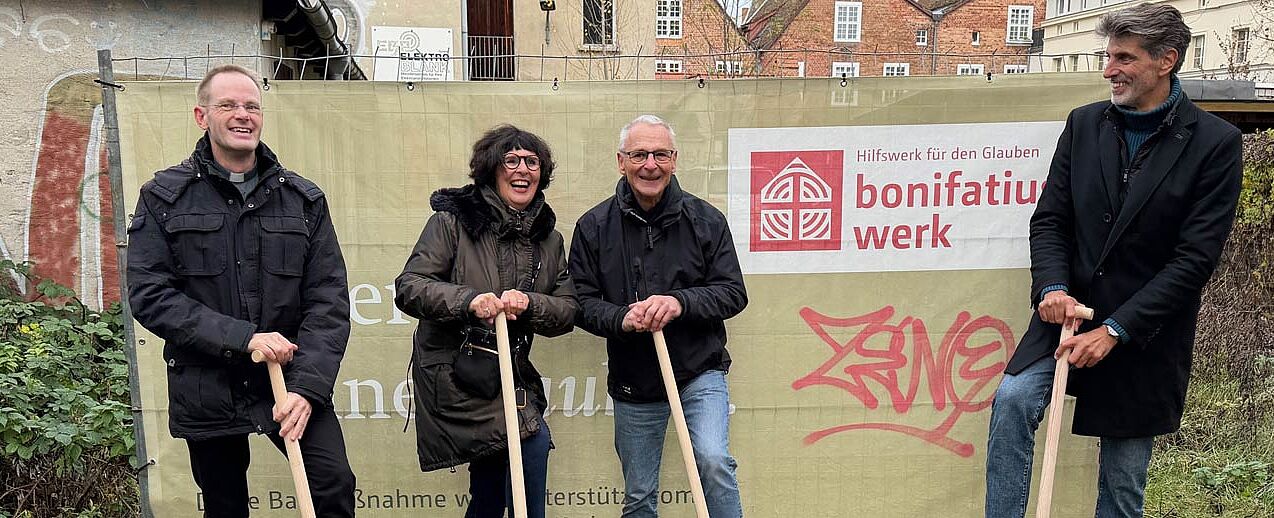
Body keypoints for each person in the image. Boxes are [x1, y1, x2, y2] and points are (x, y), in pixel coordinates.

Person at [984, 4, 1244, 517]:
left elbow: (1193, 261)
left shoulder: (1215, 145)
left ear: (1165, 60)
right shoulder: (1084, 125)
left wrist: (1116, 331)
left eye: (1123, 57)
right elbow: (1051, 219)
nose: (1109, 70)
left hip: (1143, 335)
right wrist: (1052, 287)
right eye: (1109, 56)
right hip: (1067, 316)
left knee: (1122, 485)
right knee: (1012, 404)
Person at [127, 64, 355, 517]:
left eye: (251, 106)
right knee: (224, 505)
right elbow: (151, 295)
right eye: (227, 105)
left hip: (287, 380)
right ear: (201, 115)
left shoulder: (303, 200)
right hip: (207, 379)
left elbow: (328, 301)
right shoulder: (162, 197)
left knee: (332, 484)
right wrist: (243, 338)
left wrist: (307, 390)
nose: (242, 115)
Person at [569, 114, 749, 517]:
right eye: (638, 154)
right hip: (635, 379)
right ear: (621, 161)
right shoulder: (594, 226)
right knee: (639, 493)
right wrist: (621, 319)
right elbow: (579, 301)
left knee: (714, 462)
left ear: (674, 159)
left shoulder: (706, 221)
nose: (650, 164)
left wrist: (679, 303)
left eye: (660, 154)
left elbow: (733, 293)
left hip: (699, 370)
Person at [394, 125, 577, 518]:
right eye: (511, 161)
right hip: (457, 375)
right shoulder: (452, 222)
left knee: (491, 490)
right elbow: (409, 286)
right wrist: (469, 300)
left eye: (532, 162)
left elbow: (567, 309)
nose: (522, 170)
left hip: (509, 376)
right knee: (530, 441)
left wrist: (529, 303)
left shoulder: (549, 238)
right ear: (492, 169)